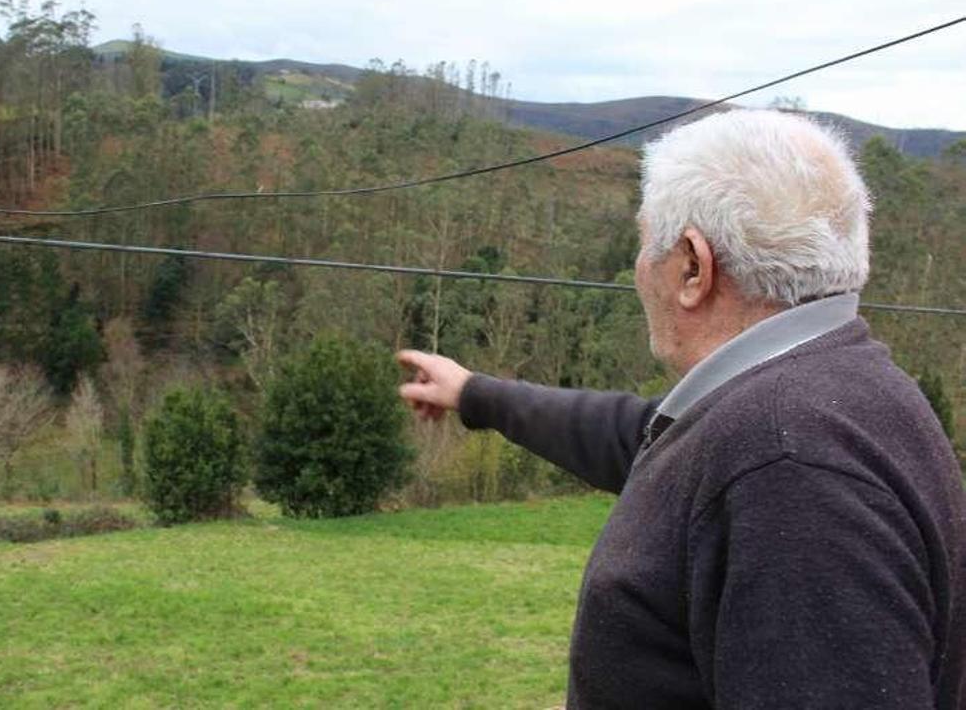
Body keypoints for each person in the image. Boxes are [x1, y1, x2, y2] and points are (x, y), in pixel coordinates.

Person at [397, 110, 966, 710]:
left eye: (646, 245)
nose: (640, 270)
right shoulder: (823, 390)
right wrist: (475, 394)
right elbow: (643, 439)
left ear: (693, 267)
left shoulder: (787, 464)